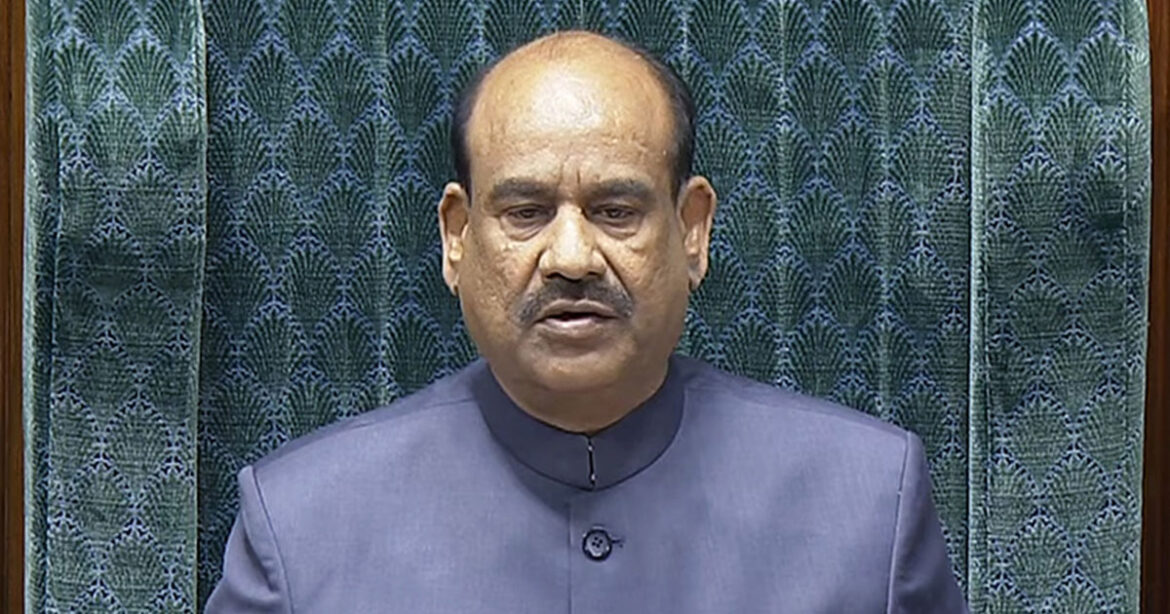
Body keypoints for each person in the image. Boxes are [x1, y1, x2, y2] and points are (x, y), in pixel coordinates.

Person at [206, 31, 968, 613]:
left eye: (615, 210)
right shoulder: (302, 522)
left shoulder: (869, 502)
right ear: (457, 236)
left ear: (692, 229)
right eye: (525, 212)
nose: (571, 257)